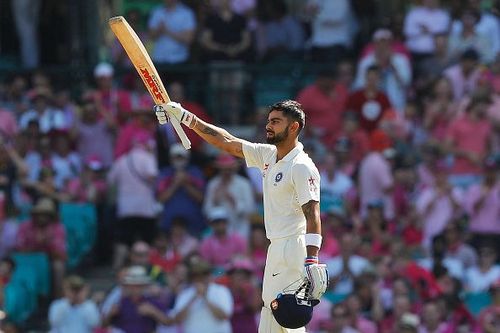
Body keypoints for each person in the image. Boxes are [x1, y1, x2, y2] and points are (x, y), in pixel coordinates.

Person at [154, 99, 327, 332]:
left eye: (276, 122)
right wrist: (186, 118)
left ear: (294, 127)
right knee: (271, 310)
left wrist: (312, 259)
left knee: (288, 313)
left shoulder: (301, 165)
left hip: (293, 245)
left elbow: (312, 213)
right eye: (268, 121)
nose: (269, 126)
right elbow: (228, 142)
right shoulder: (268, 155)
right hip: (276, 245)